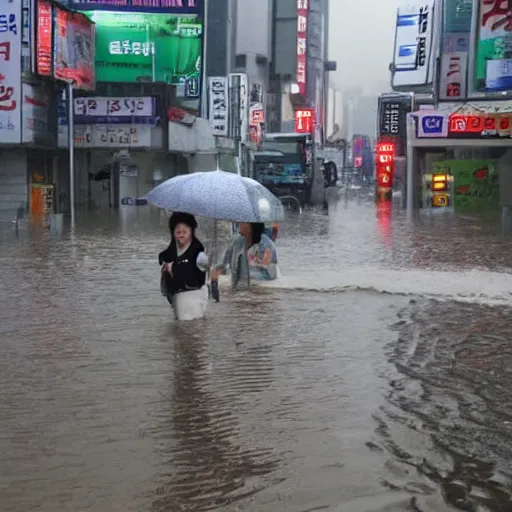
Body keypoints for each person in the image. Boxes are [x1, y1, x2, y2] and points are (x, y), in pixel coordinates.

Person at [158, 212, 209, 321]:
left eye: (185, 232)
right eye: (178, 232)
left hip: (193, 296)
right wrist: (166, 266)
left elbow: (197, 277)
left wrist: (174, 269)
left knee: (190, 327)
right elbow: (164, 258)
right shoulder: (172, 249)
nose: (181, 235)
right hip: (177, 297)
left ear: (192, 231)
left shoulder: (199, 252)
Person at [211, 222, 278, 289]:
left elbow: (270, 272)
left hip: (260, 286)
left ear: (251, 227)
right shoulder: (236, 242)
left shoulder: (267, 245)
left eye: (243, 222)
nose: (239, 224)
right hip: (238, 283)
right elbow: (225, 264)